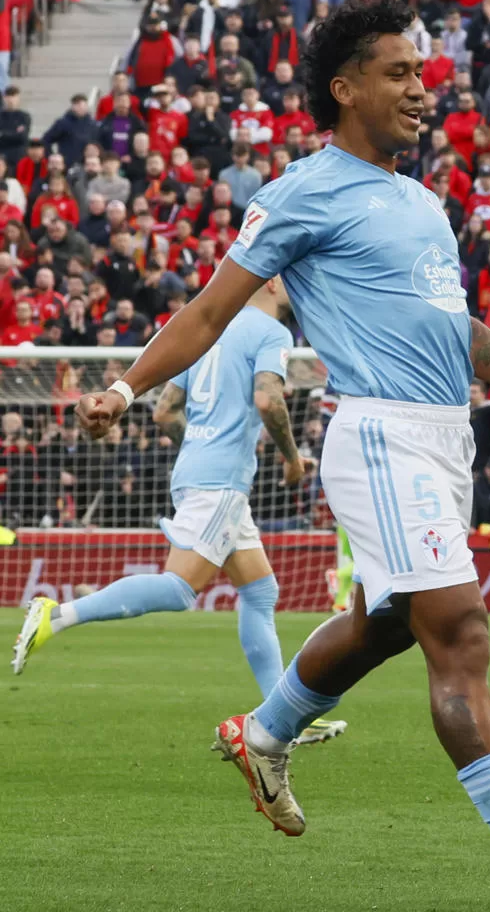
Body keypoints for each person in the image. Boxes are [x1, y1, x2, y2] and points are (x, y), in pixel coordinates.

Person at [69, 0, 490, 912]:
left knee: (388, 624)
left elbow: (456, 329)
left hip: (443, 436)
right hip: (380, 435)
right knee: (462, 633)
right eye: (400, 73)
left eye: (421, 73)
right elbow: (211, 311)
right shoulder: (301, 192)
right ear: (346, 87)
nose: (421, 89)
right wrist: (125, 390)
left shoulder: (420, 200)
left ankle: (264, 731)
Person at [12, 278, 342, 754]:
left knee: (260, 590)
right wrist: (292, 459)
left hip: (197, 469)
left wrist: (206, 442)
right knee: (179, 587)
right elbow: (269, 400)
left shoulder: (207, 325)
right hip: (222, 480)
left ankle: (281, 714)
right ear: (272, 281)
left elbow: (165, 412)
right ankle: (57, 614)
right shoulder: (272, 332)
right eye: (291, 277)